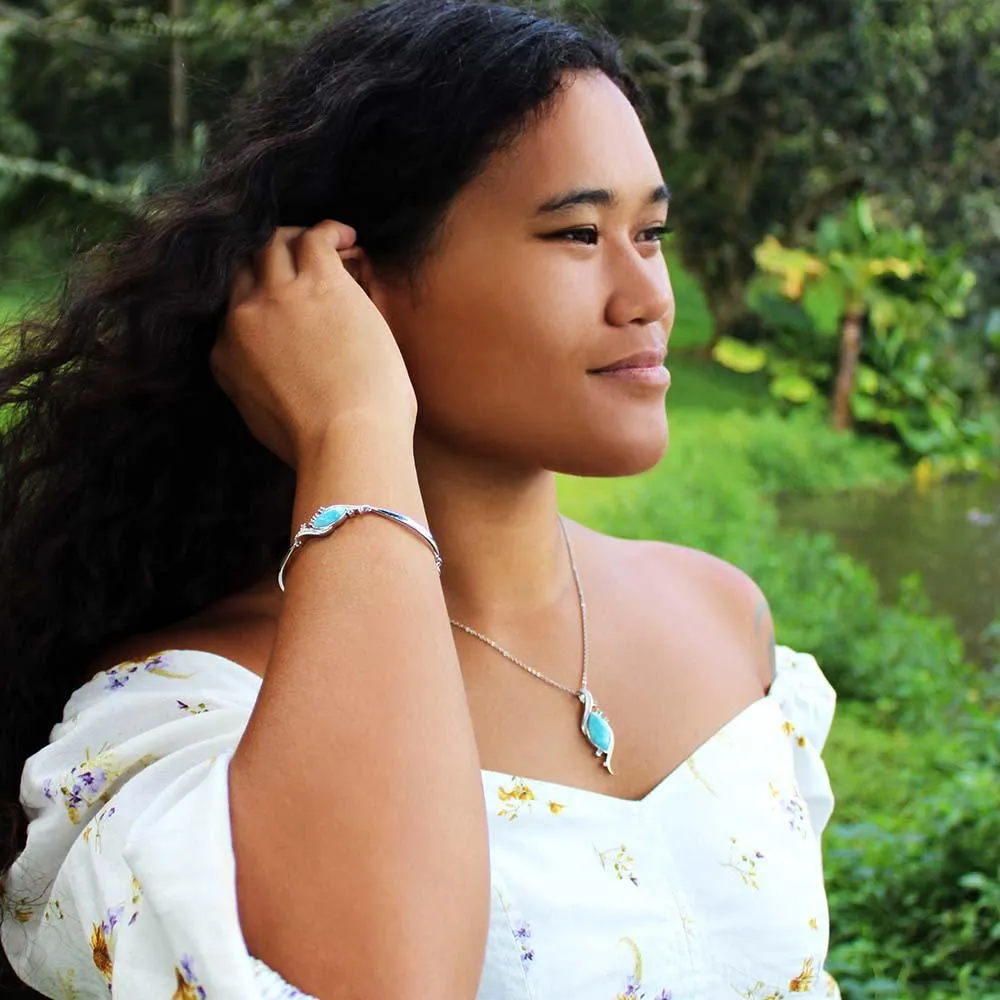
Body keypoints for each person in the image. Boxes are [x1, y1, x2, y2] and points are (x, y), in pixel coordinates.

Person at [0, 1, 840, 997]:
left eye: (649, 232)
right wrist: (350, 427)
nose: (646, 294)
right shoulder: (191, 706)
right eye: (577, 233)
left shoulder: (722, 617)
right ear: (354, 282)